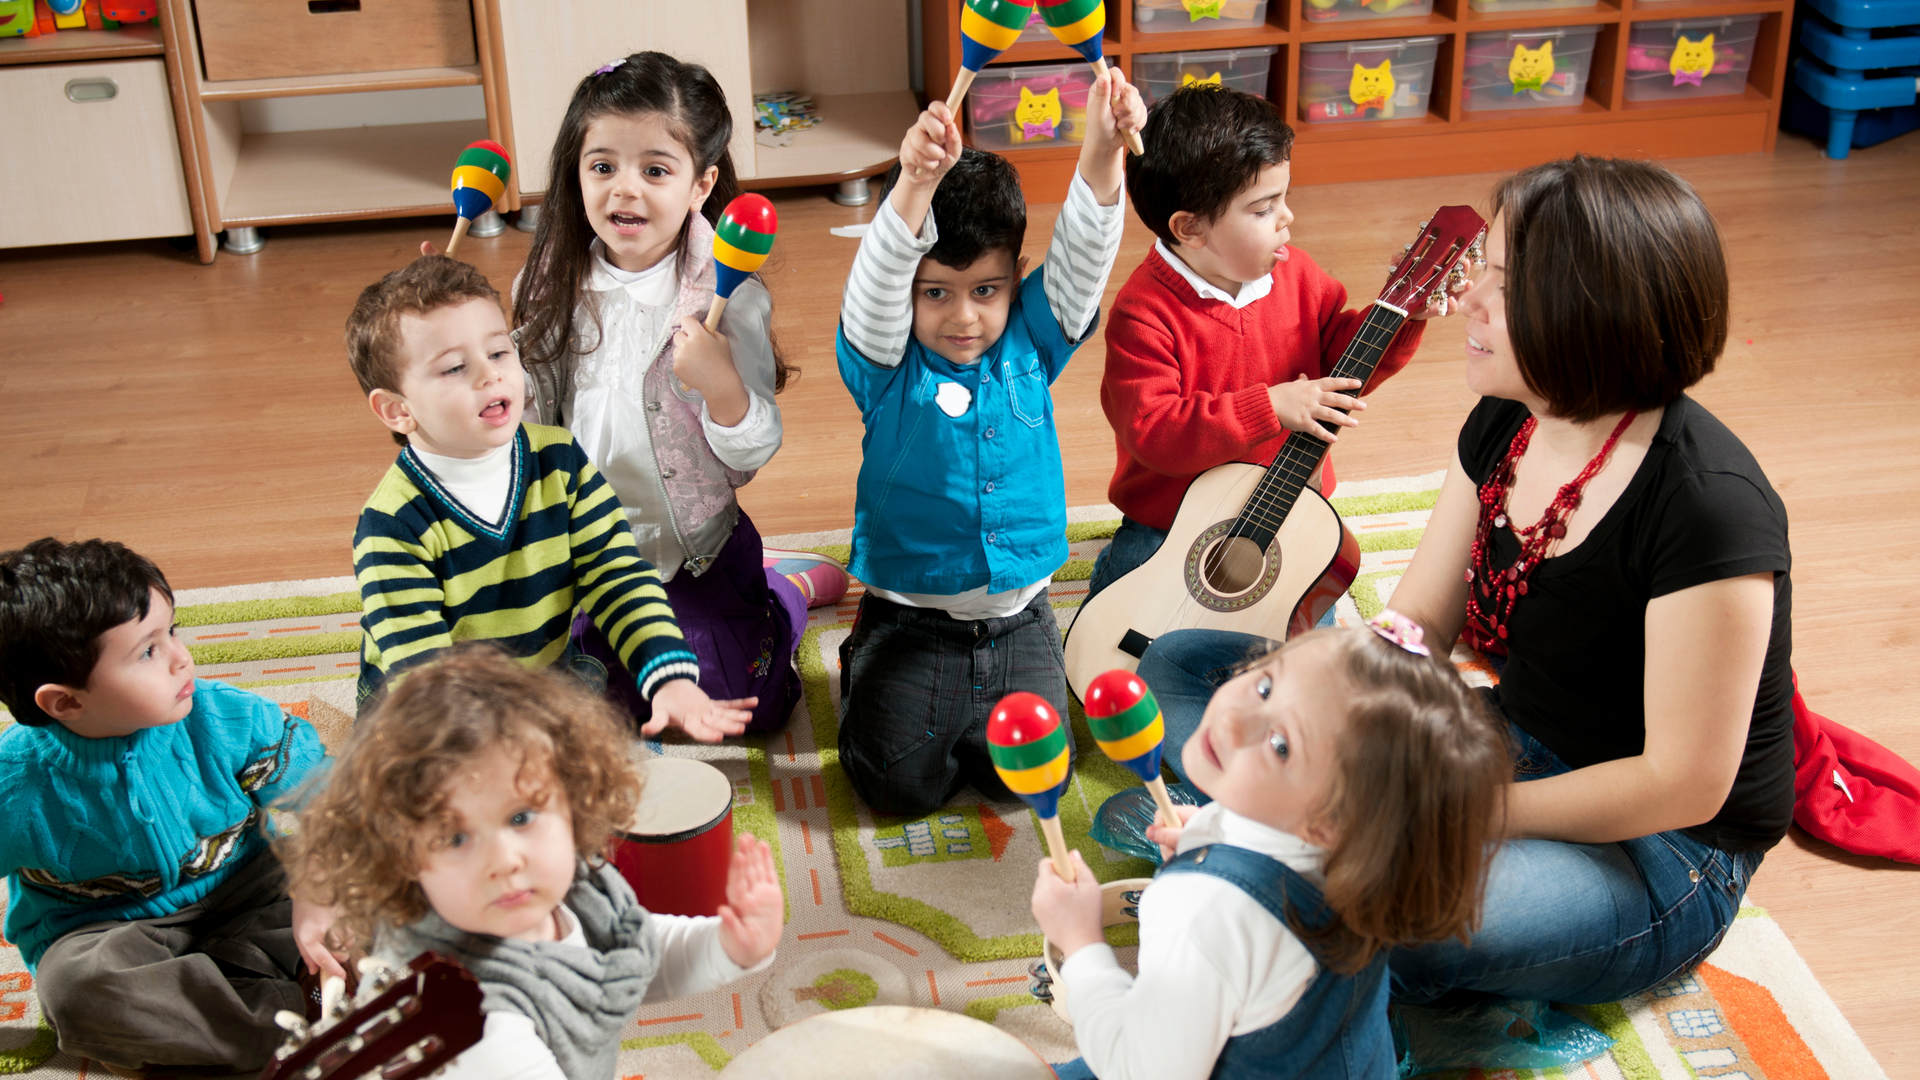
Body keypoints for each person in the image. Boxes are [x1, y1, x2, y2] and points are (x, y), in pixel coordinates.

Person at [1137, 155, 1796, 1007]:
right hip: (1502, 742)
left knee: (1397, 927)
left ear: (1589, 310)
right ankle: (1268, 830)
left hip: (1659, 847)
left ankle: (1255, 838)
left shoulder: (1709, 507)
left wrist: (1462, 811)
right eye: (1483, 272)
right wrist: (1328, 713)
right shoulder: (1508, 418)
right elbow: (1416, 624)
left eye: (1504, 287)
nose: (1470, 304)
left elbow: (1682, 782)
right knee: (1184, 666)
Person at [832, 68, 1145, 817]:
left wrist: (1102, 150)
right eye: (935, 292)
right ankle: (865, 662)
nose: (962, 316)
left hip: (1021, 619)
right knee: (894, 788)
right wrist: (911, 185)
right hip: (910, 624)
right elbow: (874, 286)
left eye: (986, 290)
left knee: (1035, 782)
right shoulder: (885, 362)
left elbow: (1084, 251)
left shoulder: (1034, 342)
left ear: (1016, 281)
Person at [1031, 617, 1510, 1080]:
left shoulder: (1200, 913)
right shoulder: (1369, 860)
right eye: (1265, 687)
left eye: (1281, 745)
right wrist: (1213, 836)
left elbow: (1139, 1070)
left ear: (1327, 825)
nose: (1235, 718)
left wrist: (1082, 943)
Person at [281, 646, 782, 1080]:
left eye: (521, 816)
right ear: (404, 854)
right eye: (456, 837)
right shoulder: (474, 1021)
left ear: (573, 800)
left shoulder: (576, 894)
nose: (504, 859)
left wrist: (729, 946)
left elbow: (631, 954)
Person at [510, 51, 817, 734]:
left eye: (655, 170)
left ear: (701, 184)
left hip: (698, 552)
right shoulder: (546, 286)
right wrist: (467, 340)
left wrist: (723, 387)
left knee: (751, 711)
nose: (625, 190)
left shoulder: (728, 294)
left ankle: (782, 594)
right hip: (594, 555)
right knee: (594, 713)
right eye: (602, 167)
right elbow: (524, 423)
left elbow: (749, 454)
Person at [346, 255, 749, 741]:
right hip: (427, 712)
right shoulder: (392, 525)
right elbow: (423, 674)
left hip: (539, 680)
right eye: (455, 367)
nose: (489, 376)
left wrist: (670, 678)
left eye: (498, 353)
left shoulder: (559, 461)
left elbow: (616, 575)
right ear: (397, 410)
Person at [1087, 85, 1452, 602]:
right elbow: (1156, 432)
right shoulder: (1143, 313)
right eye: (1263, 208)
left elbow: (1345, 367)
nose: (1287, 218)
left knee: (1305, 637)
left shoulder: (1298, 274)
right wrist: (1270, 407)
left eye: (1284, 198)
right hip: (1170, 518)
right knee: (1119, 624)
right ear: (1190, 229)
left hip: (1287, 503)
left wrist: (1402, 316)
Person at [0, 538, 331, 1075]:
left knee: (386, 886)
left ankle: (225, 1021)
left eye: (170, 631)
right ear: (65, 701)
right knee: (77, 991)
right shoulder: (14, 785)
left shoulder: (226, 717)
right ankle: (296, 1018)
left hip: (252, 889)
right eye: (148, 651)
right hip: (109, 934)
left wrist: (318, 888)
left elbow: (331, 796)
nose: (182, 658)